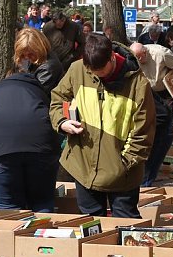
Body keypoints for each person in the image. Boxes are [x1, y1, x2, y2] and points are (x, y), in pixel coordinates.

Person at [49, 33, 155, 217]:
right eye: (92, 71)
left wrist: (125, 163)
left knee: (125, 222)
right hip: (83, 166)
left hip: (122, 174)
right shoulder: (77, 70)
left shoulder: (138, 84)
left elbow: (143, 131)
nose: (97, 74)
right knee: (91, 225)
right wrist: (62, 121)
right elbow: (58, 99)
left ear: (112, 58)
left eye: (101, 70)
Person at [0, 28, 62, 211]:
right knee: (39, 204)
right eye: (23, 54)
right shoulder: (34, 70)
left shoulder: (49, 69)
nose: (27, 58)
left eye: (31, 54)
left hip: (18, 141)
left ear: (41, 50)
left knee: (12, 207)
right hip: (36, 142)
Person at [129, 42, 173, 186]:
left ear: (145, 52)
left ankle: (150, 175)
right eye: (136, 58)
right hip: (147, 93)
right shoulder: (132, 58)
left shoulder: (161, 53)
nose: (139, 60)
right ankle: (146, 176)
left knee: (164, 132)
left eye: (140, 57)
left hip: (165, 93)